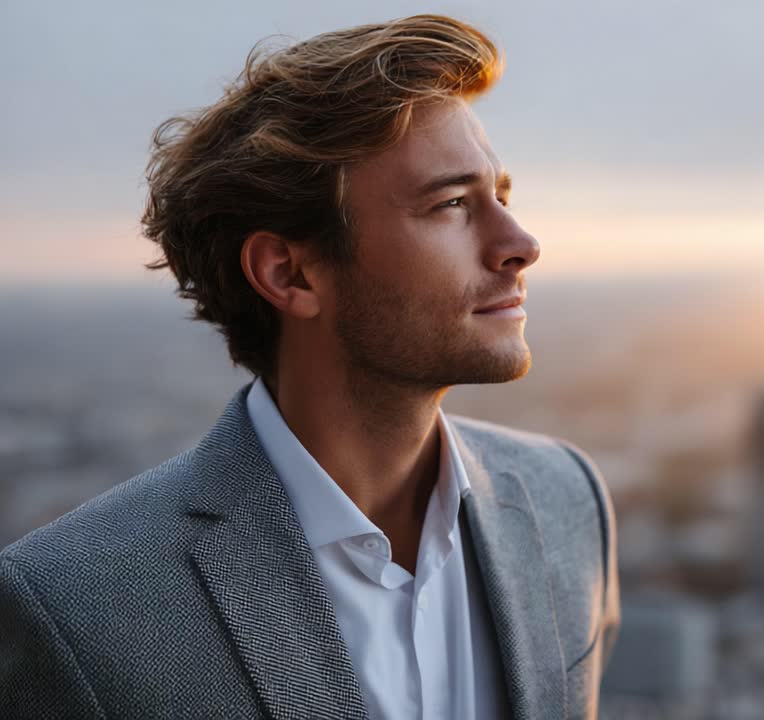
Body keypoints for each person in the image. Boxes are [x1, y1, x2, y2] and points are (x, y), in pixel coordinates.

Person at [0, 15, 619, 720]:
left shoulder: (566, 502)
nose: (521, 243)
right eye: (450, 204)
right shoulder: (76, 607)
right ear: (289, 273)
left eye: (500, 197)